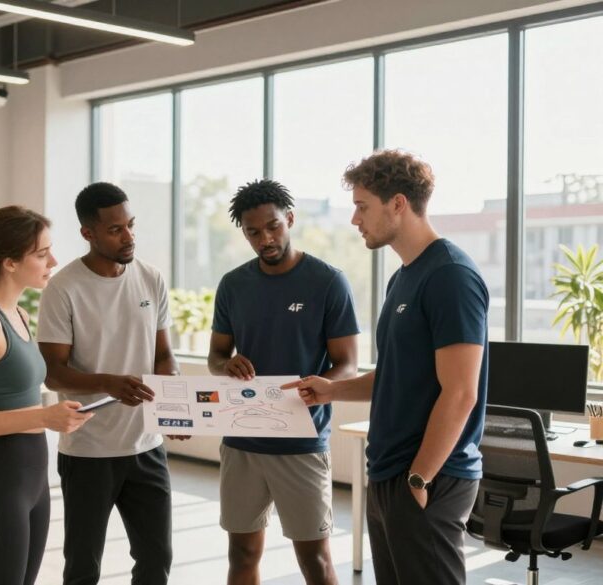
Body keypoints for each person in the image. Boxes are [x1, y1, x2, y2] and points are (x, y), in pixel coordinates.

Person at [285, 150, 489, 585]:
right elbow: (397, 374)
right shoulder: (404, 277)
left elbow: (460, 392)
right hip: (389, 471)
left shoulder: (450, 276)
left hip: (428, 475)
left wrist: (419, 478)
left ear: (398, 203)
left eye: (362, 206)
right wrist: (332, 390)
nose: (355, 219)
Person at [208, 180, 359, 585]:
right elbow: (215, 357)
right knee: (241, 554)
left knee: (315, 560)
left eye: (273, 226)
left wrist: (318, 385)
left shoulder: (327, 281)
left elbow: (347, 365)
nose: (265, 239)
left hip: (301, 442)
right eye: (253, 232)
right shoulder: (233, 284)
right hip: (241, 440)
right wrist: (228, 365)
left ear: (289, 219)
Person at [0, 205, 93, 585]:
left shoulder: (20, 315)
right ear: (9, 262)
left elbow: (16, 394)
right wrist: (45, 417)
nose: (53, 261)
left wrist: (57, 412)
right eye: (41, 254)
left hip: (32, 480)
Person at [38, 182, 180, 585]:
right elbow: (53, 371)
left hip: (147, 447)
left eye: (131, 225)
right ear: (89, 233)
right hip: (88, 452)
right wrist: (108, 384)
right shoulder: (62, 288)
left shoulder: (151, 278)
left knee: (156, 562)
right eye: (116, 229)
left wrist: (173, 405)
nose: (129, 236)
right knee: (83, 566)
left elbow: (164, 356)